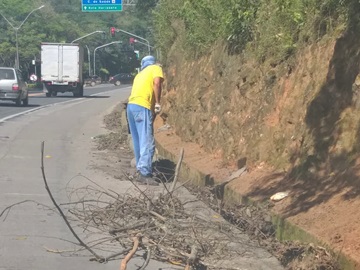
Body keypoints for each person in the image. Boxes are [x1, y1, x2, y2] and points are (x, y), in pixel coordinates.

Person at [126, 55, 164, 185]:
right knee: (146, 141)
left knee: (137, 140)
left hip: (131, 107)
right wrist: (158, 103)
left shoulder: (139, 74)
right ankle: (145, 172)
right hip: (142, 107)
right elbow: (157, 83)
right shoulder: (155, 68)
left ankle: (139, 168)